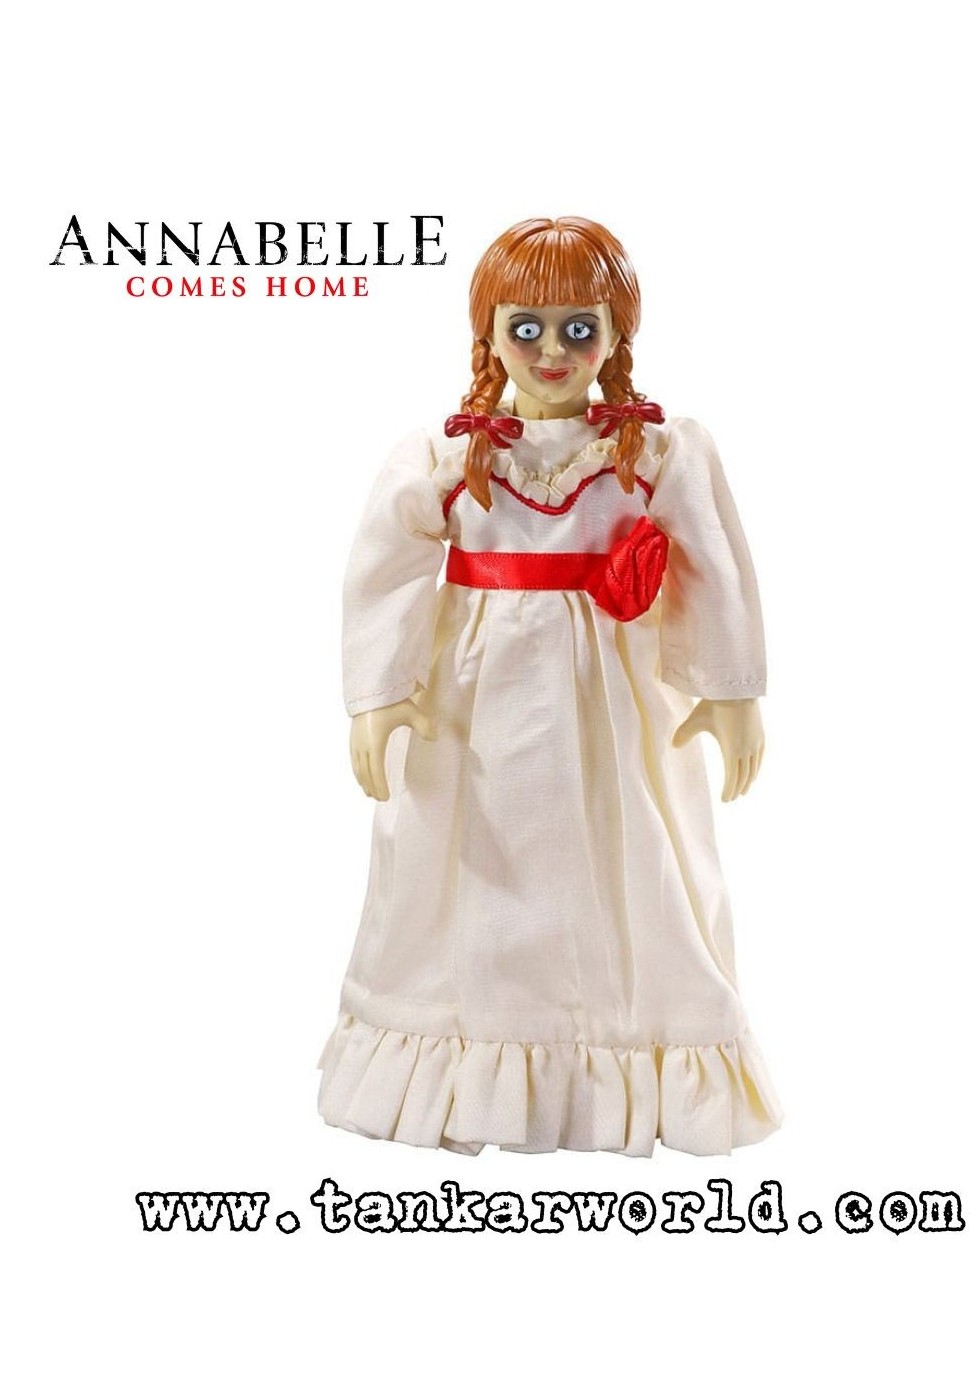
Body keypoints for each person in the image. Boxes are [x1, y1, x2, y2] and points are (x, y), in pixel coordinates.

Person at [317, 216, 782, 1156]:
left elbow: (711, 561)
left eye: (581, 327)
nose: (553, 351)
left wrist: (728, 688)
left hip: (615, 700)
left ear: (615, 336)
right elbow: (387, 563)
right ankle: (466, 1055)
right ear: (489, 334)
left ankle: (625, 1040)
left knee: (630, 855)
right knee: (466, 869)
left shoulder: (650, 455)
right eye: (525, 327)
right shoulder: (449, 455)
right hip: (475, 702)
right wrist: (381, 691)